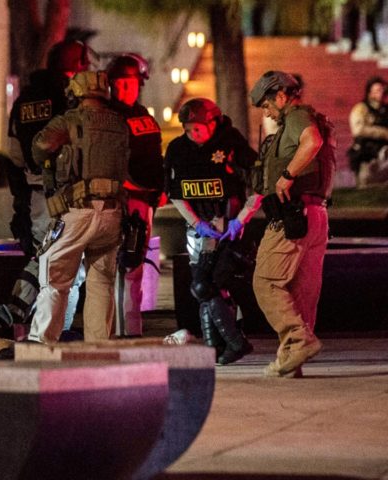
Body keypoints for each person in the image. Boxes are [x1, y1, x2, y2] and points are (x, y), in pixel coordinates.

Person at [27, 70, 130, 344]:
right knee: (101, 284)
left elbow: (41, 146)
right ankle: (98, 348)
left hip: (78, 211)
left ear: (76, 92)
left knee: (54, 277)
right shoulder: (119, 123)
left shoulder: (69, 120)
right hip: (112, 215)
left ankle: (42, 343)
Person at [249, 70, 336, 377]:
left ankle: (298, 341)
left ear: (281, 97)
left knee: (266, 282)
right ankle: (292, 360)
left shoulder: (298, 116)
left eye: (267, 104)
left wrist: (286, 177)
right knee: (300, 291)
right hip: (315, 215)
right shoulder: (305, 118)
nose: (267, 112)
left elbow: (311, 141)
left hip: (293, 215)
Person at [164, 98, 258, 365]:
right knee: (201, 287)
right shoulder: (178, 149)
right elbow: (174, 193)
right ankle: (216, 347)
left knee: (211, 285)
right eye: (188, 129)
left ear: (214, 122)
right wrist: (196, 223)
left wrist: (240, 221)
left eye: (198, 128)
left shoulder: (230, 142)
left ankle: (232, 343)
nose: (193, 135)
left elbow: (257, 183)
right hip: (199, 227)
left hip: (229, 226)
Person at [6, 40, 92, 331]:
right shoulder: (67, 98)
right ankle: (42, 326)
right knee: (63, 264)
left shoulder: (24, 102)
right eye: (85, 63)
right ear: (75, 66)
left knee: (47, 257)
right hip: (66, 193)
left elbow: (14, 156)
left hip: (36, 196)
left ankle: (36, 322)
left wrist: (21, 202)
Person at [107, 53, 164, 337]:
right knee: (112, 267)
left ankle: (132, 330)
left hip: (144, 202)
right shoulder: (107, 117)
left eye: (131, 83)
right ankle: (113, 331)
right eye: (121, 83)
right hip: (119, 199)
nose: (127, 89)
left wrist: (160, 190)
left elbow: (155, 157)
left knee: (134, 267)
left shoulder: (145, 117)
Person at [347, 75, 388, 187]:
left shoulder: (385, 110)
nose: (382, 93)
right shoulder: (361, 108)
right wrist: (384, 133)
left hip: (383, 157)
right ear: (370, 93)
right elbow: (358, 130)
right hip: (367, 157)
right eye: (378, 90)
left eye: (383, 90)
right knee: (366, 189)